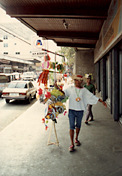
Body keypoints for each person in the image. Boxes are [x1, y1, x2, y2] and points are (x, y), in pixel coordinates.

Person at [54, 74, 107, 152]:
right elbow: (63, 94)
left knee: (78, 125)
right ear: (74, 81)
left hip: (80, 110)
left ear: (81, 81)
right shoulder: (70, 88)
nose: (77, 82)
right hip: (72, 110)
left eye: (79, 80)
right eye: (76, 80)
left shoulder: (84, 90)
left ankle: (76, 138)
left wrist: (101, 101)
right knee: (71, 126)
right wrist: (58, 88)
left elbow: (92, 96)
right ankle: (72, 144)